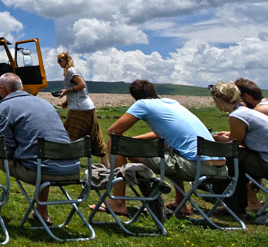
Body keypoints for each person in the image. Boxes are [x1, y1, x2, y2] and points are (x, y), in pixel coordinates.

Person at [92, 79, 225, 216]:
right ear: (154, 91)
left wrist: (129, 143)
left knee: (115, 143)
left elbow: (113, 132)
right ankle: (180, 202)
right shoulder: (172, 103)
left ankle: (119, 202)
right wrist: (134, 141)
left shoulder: (142, 104)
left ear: (134, 96)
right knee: (173, 153)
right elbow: (162, 132)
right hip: (220, 167)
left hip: (197, 167)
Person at [0, 73, 79, 225]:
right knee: (43, 153)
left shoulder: (5, 107)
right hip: (71, 169)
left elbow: (5, 150)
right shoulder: (45, 104)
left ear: (2, 89)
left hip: (41, 170)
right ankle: (42, 213)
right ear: (21, 87)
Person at [209, 81, 268, 216]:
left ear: (219, 100)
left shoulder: (236, 116)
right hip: (264, 157)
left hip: (265, 162)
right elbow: (243, 136)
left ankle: (234, 206)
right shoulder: (245, 112)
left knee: (232, 157)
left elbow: (233, 143)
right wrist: (228, 134)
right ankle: (236, 205)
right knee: (237, 159)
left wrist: (218, 138)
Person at [53, 51, 108, 166]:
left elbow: (82, 85)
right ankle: (104, 161)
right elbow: (78, 89)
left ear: (66, 60)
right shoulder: (70, 72)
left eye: (60, 61)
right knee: (94, 133)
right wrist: (67, 101)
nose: (58, 63)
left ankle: (65, 160)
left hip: (80, 108)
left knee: (69, 132)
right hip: (86, 106)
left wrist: (67, 91)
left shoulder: (71, 71)